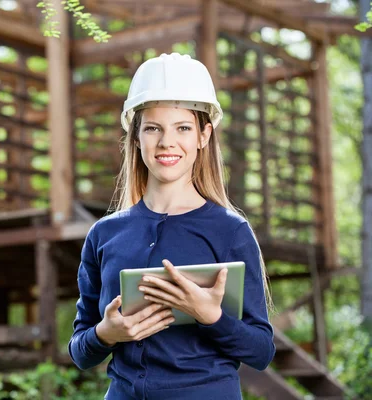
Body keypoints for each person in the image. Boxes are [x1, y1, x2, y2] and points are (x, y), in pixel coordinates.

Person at [68, 53, 275, 400]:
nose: (167, 142)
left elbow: (261, 351)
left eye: (182, 128)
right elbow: (80, 351)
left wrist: (211, 316)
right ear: (136, 137)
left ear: (203, 136)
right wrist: (106, 333)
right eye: (153, 128)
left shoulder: (231, 231)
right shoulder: (104, 235)